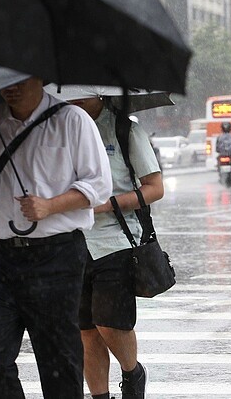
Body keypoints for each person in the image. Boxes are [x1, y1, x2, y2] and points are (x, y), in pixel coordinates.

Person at [0, 77, 112, 398]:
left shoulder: (72, 120)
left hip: (54, 257)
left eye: (19, 77)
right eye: (4, 78)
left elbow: (98, 186)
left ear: (40, 75)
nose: (9, 86)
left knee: (58, 358)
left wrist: (50, 205)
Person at [68, 93, 163, 399]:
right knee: (86, 330)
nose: (74, 98)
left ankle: (132, 372)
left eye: (82, 93)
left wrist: (108, 205)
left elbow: (154, 188)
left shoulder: (125, 131)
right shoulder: (61, 131)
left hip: (116, 241)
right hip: (71, 243)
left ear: (99, 91)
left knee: (109, 322)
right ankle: (99, 396)